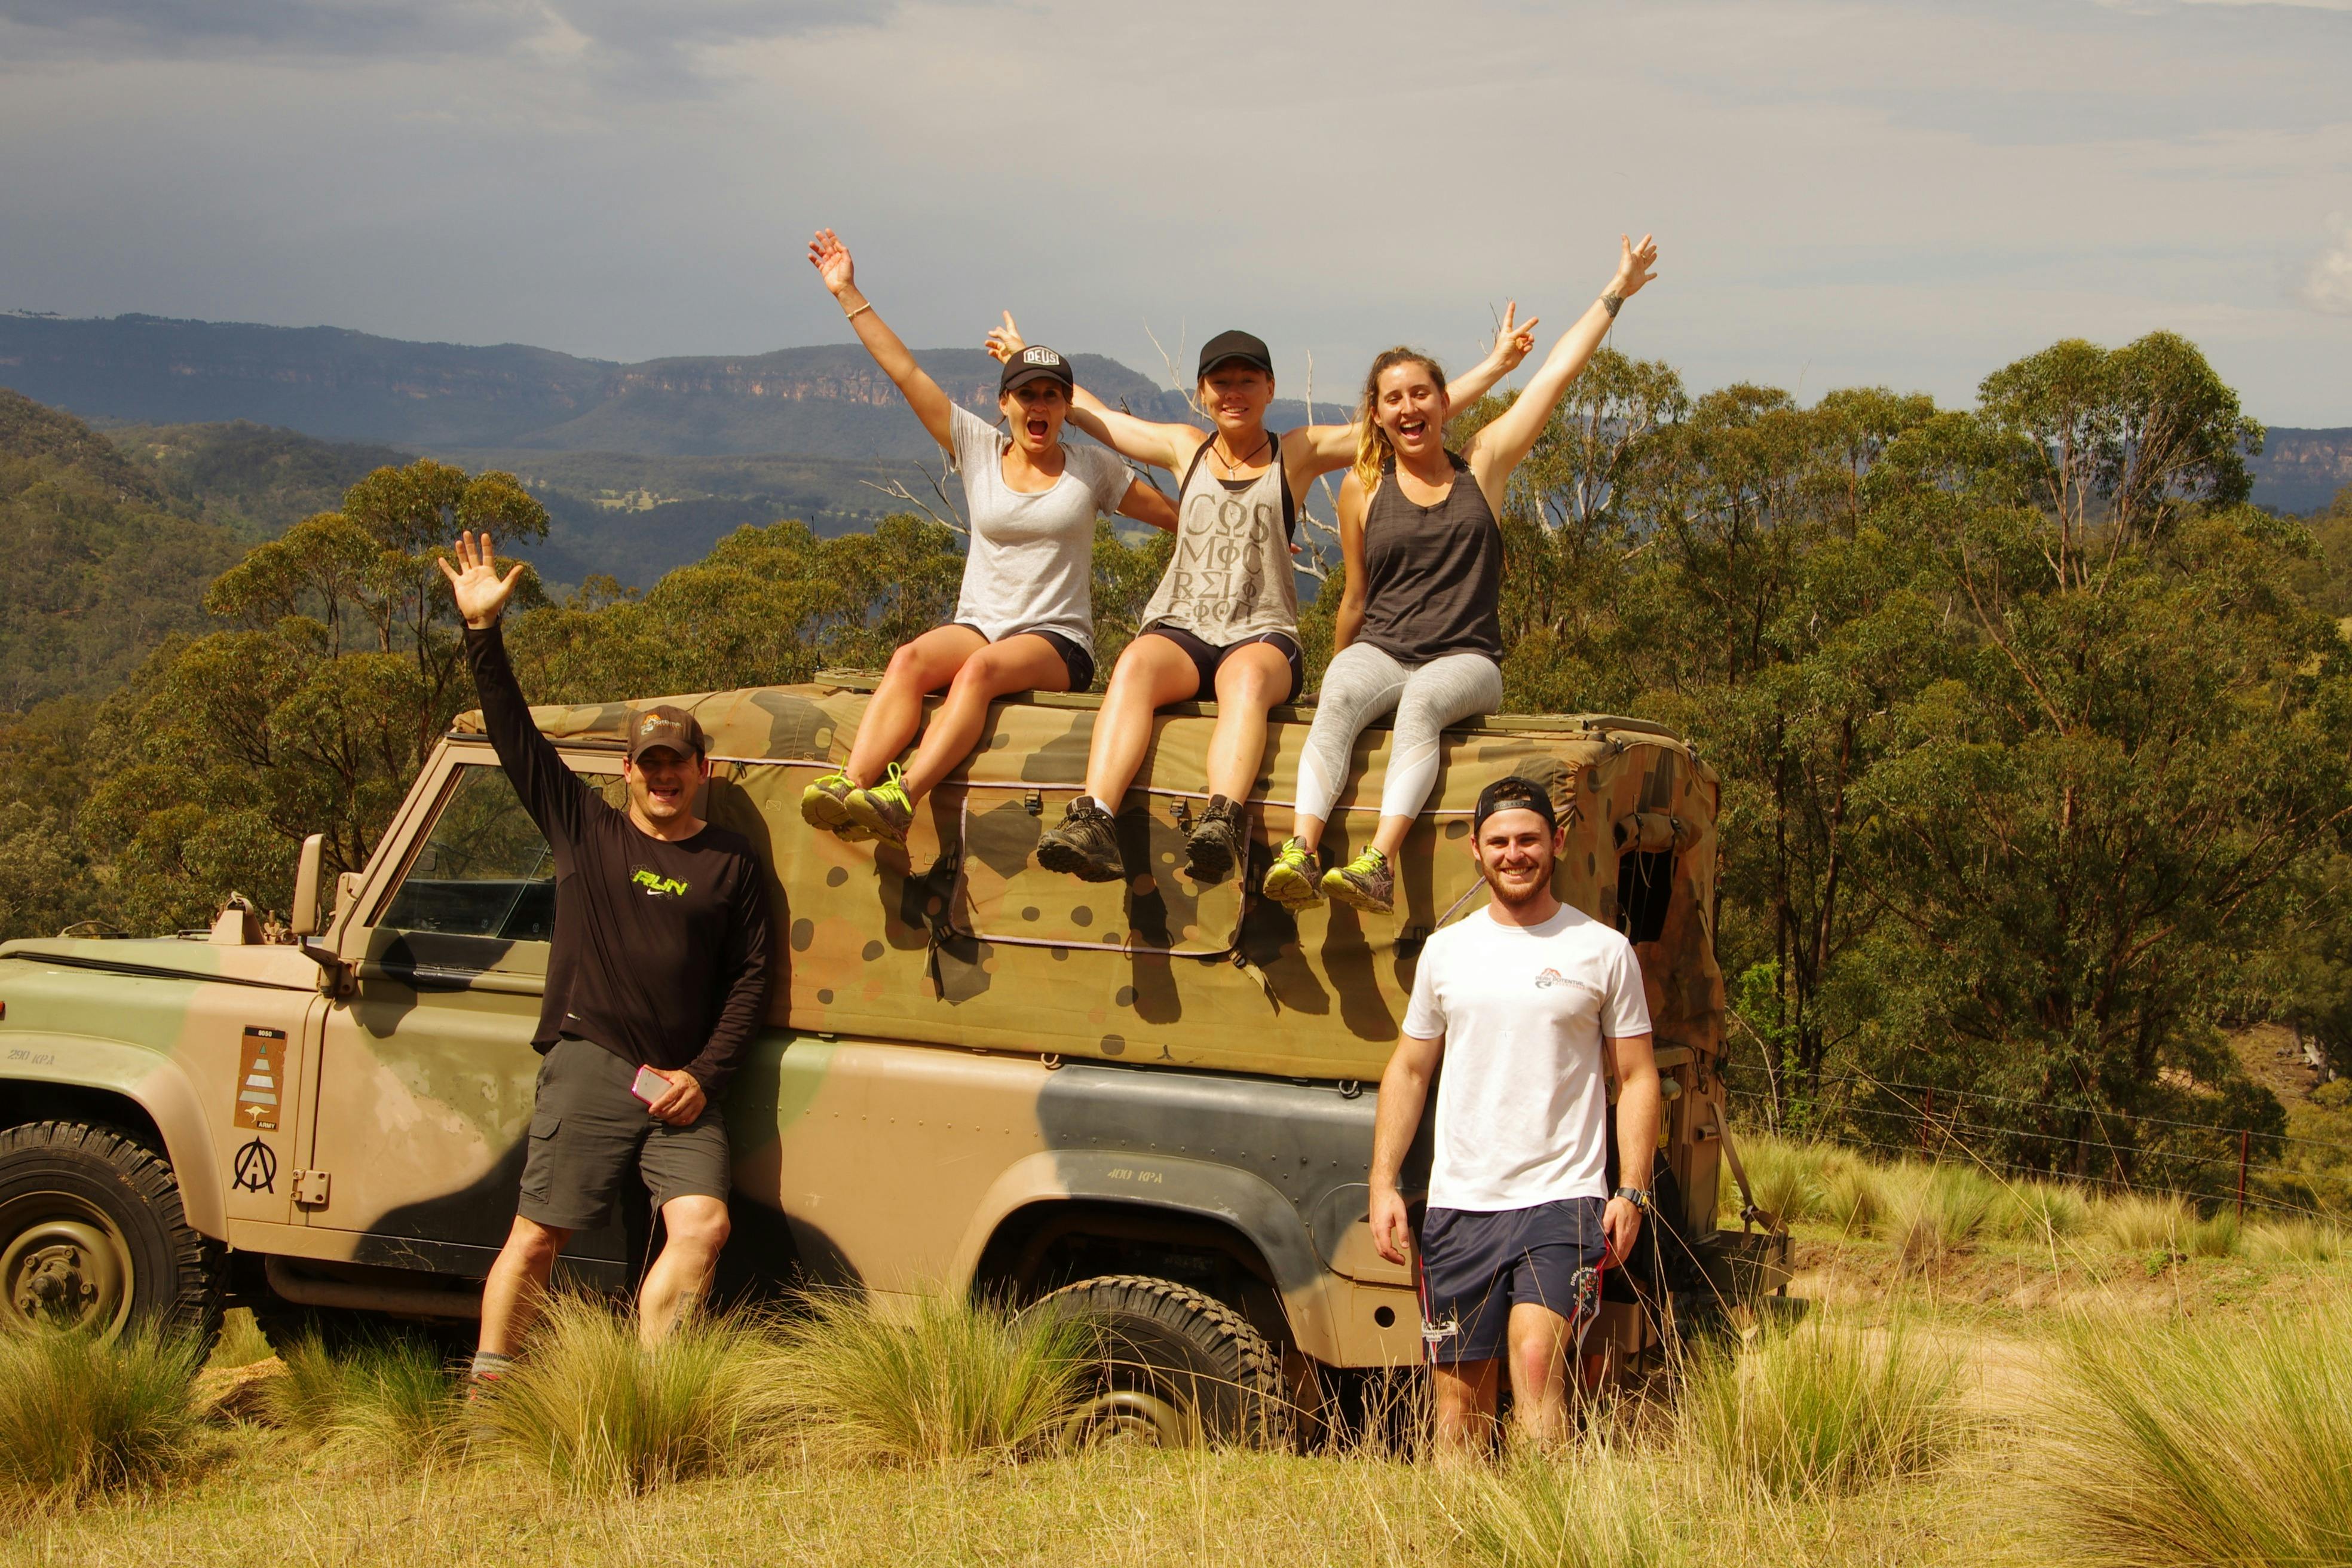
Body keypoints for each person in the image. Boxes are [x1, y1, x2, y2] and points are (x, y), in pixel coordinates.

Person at [986, 311, 1536, 884]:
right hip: (1182, 628)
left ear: (1269, 389)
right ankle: (1094, 818)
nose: (1234, 393)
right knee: (1133, 667)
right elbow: (1096, 418)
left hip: (1261, 632)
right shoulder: (1185, 448)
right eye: (1221, 383)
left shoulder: (1294, 453)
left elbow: (1409, 416)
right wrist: (1030, 364)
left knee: (1244, 682)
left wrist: (1496, 366)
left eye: (1248, 381)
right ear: (1202, 394)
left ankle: (1222, 820)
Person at [439, 531, 774, 1374]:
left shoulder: (733, 861)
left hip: (681, 1081)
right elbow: (516, 741)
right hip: (593, 1061)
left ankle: (642, 1392)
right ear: (625, 769)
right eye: (649, 763)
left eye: (679, 764)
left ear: (705, 768)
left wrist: (707, 1075)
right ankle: (491, 1392)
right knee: (538, 1235)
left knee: (703, 1227)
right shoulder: (584, 831)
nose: (664, 777)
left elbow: (752, 980)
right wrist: (483, 634)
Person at [1263, 235, 1661, 916]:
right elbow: (1356, 595)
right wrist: (1339, 670)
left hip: (1467, 660)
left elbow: (1554, 377)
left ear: (1444, 402)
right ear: (1378, 414)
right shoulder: (1362, 488)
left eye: (1421, 392)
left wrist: (1615, 291)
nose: (1409, 407)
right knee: (1339, 693)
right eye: (1394, 398)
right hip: (1384, 649)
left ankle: (1377, 863)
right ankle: (1301, 849)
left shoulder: (1484, 464)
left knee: (1421, 704)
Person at [798, 229, 1178, 847]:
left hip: (1057, 641)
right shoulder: (976, 448)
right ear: (1003, 403)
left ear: (1065, 409)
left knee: (976, 674)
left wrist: (1254, 529)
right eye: (1027, 393)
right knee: (910, 660)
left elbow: (1174, 516)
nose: (1040, 405)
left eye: (1052, 396)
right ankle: (853, 782)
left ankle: (903, 796)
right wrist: (848, 292)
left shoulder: (1092, 467)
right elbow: (905, 372)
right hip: (979, 621)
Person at [1367, 776, 1662, 1453]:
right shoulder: (1447, 950)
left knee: (1537, 1364)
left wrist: (1633, 1189)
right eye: (1499, 841)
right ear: (1476, 849)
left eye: (1528, 838)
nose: (1514, 853)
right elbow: (1410, 1069)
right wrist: (1383, 1182)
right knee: (1458, 1409)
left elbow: (1639, 1075)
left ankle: (1545, 1540)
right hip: (1460, 1205)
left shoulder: (1602, 949)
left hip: (1562, 1201)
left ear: (1556, 843)